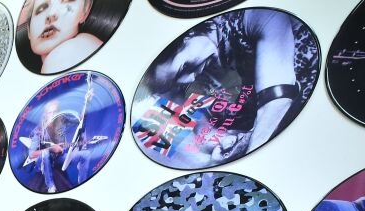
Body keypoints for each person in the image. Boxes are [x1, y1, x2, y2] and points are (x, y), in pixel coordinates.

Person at [136, 8, 318, 165]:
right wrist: (209, 149)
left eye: (185, 67)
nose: (189, 79)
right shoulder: (196, 69)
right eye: (175, 82)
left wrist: (242, 166)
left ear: (186, 35)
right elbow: (158, 150)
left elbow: (277, 101)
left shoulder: (256, 16)